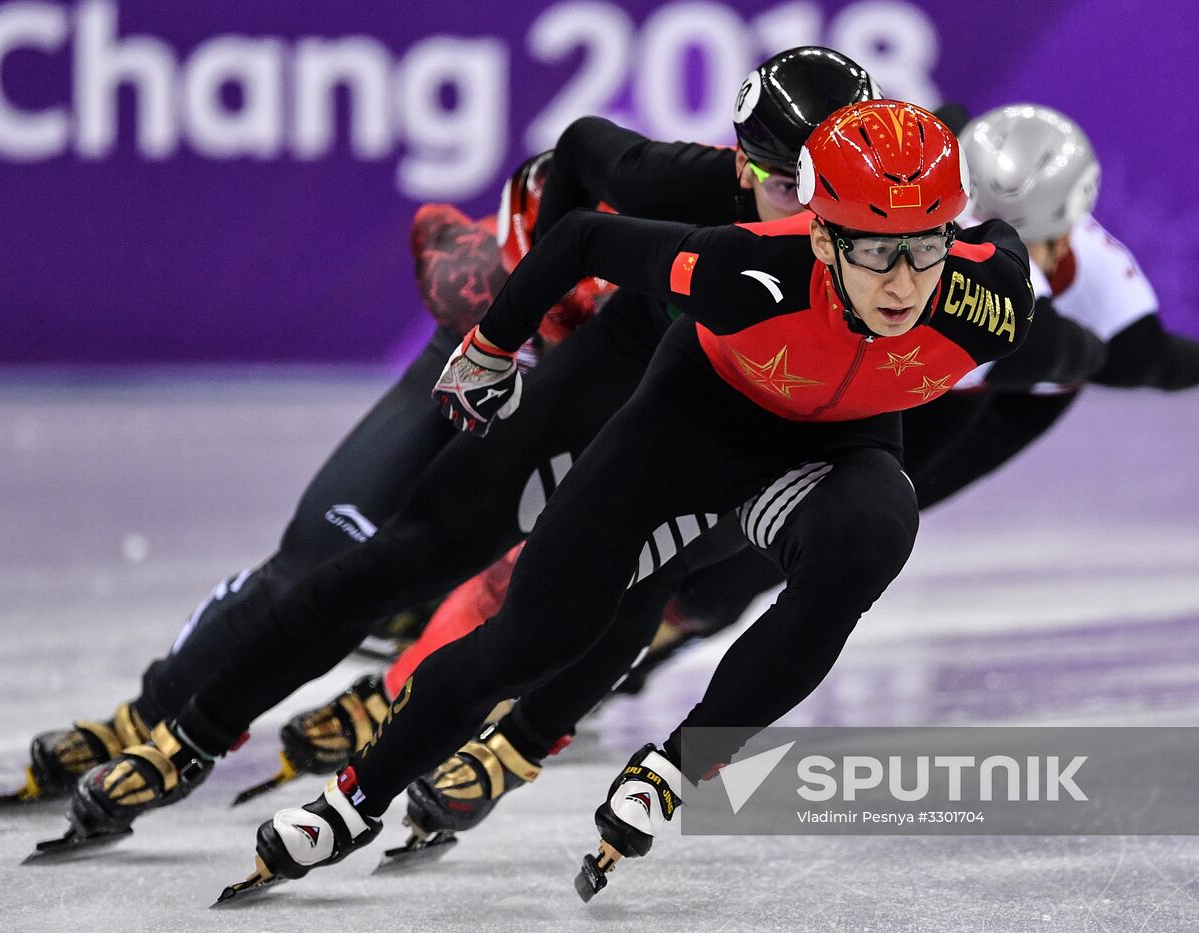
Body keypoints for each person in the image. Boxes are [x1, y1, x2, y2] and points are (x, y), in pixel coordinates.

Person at [28, 48, 886, 843]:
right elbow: (585, 146)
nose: (816, 230)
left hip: (708, 420)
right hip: (604, 369)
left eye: (837, 200)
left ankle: (507, 739)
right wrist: (524, 316)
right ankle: (192, 732)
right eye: (789, 194)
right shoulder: (679, 190)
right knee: (394, 557)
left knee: (642, 575)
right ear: (742, 167)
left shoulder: (891, 249)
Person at [222, 99, 1034, 899]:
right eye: (876, 252)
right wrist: (493, 346)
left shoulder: (990, 301)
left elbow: (1008, 261)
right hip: (689, 431)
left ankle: (678, 764)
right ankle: (353, 799)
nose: (905, 283)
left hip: (835, 453)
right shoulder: (745, 271)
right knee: (530, 641)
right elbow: (580, 238)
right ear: (823, 236)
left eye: (926, 247)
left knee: (875, 535)